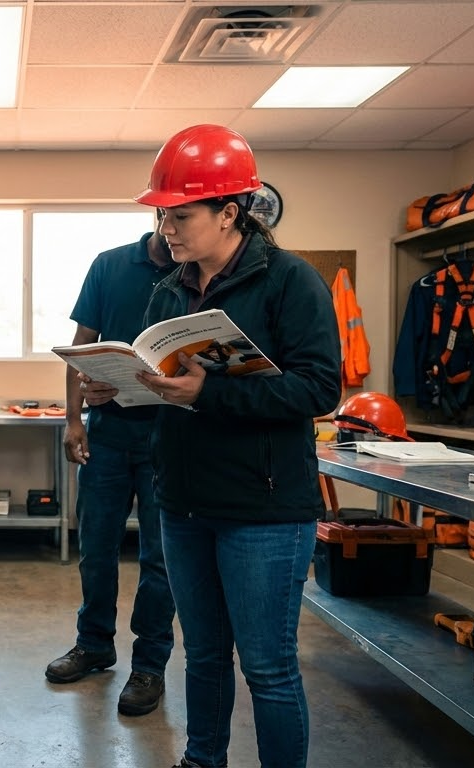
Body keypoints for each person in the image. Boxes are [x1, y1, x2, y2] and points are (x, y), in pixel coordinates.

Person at [109, 124, 339, 768]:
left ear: (230, 213)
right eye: (162, 215)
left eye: (180, 215)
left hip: (264, 511)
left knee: (267, 668)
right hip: (183, 503)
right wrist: (125, 385)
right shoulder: (168, 288)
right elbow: (169, 383)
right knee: (204, 654)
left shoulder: (291, 282)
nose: (166, 230)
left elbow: (319, 389)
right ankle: (202, 759)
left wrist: (207, 395)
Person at [46, 218, 177, 717]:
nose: (177, 230)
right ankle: (94, 644)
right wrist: (73, 420)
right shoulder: (110, 265)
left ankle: (150, 664)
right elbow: (81, 348)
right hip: (108, 433)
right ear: (158, 216)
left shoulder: (197, 273)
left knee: (159, 559)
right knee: (95, 547)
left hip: (167, 437)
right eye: (171, 217)